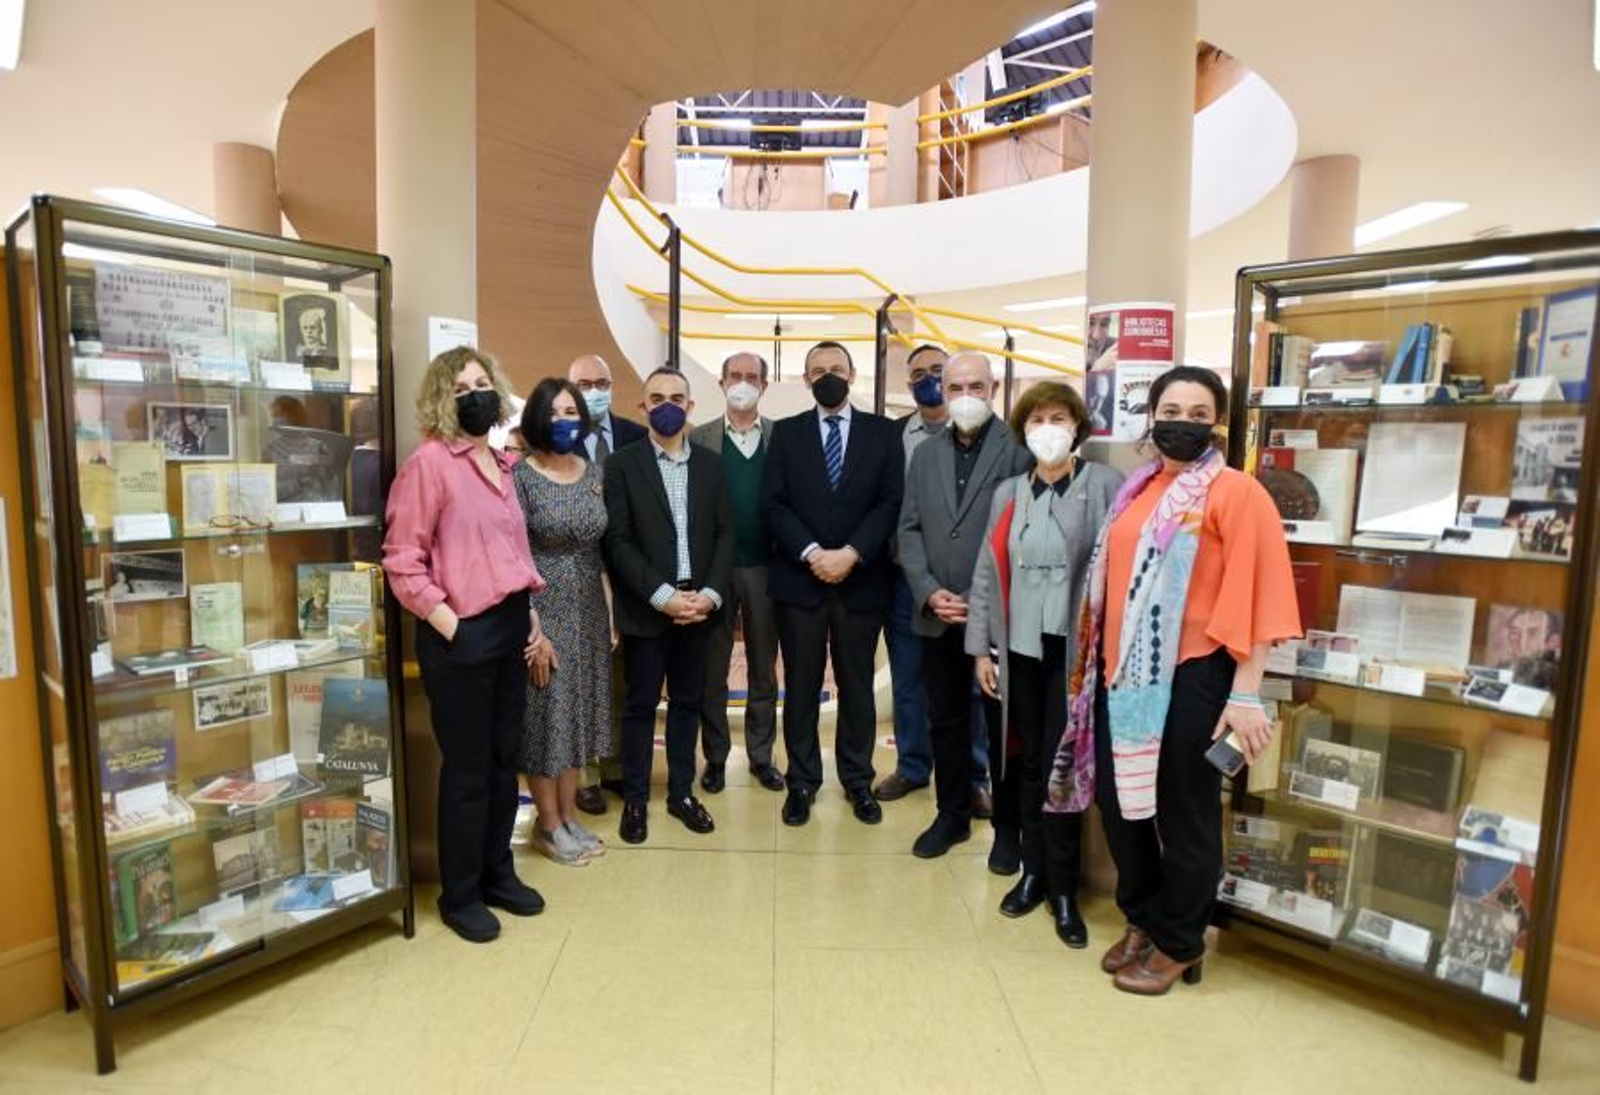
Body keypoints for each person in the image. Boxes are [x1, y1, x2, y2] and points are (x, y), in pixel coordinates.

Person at [1049, 365, 1300, 993]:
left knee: (1182, 813)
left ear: (1216, 422)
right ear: (1151, 415)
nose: (1182, 423)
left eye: (1197, 413)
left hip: (1197, 674)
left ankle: (1182, 941)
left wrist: (1245, 692)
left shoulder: (1236, 493)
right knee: (1119, 804)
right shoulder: (1138, 488)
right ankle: (1145, 916)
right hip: (1124, 675)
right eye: (1171, 410)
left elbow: (1261, 593)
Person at [383, 346, 548, 944]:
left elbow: (510, 554)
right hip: (462, 636)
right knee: (469, 769)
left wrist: (528, 618)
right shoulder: (429, 464)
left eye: (482, 383)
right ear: (441, 401)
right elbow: (402, 561)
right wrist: (451, 623)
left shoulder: (502, 463)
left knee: (506, 763)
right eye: (460, 389)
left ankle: (498, 872)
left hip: (508, 627)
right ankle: (460, 894)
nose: (475, 394)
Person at [966, 382, 1122, 947]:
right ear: (1023, 431)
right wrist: (981, 649)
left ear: (1077, 426)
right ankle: (1032, 871)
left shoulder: (1104, 485)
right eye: (1037, 420)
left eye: (1059, 418)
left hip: (1073, 656)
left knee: (1063, 768)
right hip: (1019, 651)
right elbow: (986, 572)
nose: (1048, 428)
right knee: (1027, 762)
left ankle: (1063, 888)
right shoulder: (1009, 491)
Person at [896, 352, 1033, 861]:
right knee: (945, 719)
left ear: (993, 390)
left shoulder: (1018, 450)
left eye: (976, 386)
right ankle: (950, 814)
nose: (965, 396)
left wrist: (981, 599)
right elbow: (908, 530)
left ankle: (1006, 830)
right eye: (955, 388)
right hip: (937, 614)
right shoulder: (926, 454)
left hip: (997, 615)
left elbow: (1026, 536)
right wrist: (928, 589)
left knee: (1002, 728)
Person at [763, 341, 903, 827]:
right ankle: (801, 782)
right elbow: (774, 503)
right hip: (800, 582)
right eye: (818, 370)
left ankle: (858, 781)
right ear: (805, 380)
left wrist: (851, 554)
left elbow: (889, 503)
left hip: (861, 582)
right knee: (801, 687)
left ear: (852, 374)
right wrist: (813, 554)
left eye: (836, 369)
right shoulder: (785, 433)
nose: (828, 376)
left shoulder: (884, 434)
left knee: (857, 687)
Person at [603, 367, 733, 845]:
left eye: (677, 397)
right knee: (638, 706)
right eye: (656, 398)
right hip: (647, 607)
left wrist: (710, 595)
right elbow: (617, 542)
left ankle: (681, 793)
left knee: (686, 704)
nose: (667, 405)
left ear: (691, 407)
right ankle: (636, 797)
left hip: (699, 607)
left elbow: (725, 535)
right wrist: (663, 597)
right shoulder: (621, 465)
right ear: (642, 407)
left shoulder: (711, 465)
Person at [512, 378, 614, 866]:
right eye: (554, 413)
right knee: (546, 720)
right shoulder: (520, 477)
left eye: (572, 412)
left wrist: (610, 613)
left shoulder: (594, 473)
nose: (565, 421)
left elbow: (599, 549)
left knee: (578, 716)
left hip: (590, 608)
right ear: (537, 418)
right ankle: (547, 825)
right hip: (542, 609)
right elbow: (514, 554)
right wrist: (533, 628)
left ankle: (569, 815)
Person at [690, 352, 786, 795]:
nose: (743, 383)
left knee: (764, 667)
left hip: (767, 566)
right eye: (735, 376)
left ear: (764, 386)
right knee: (713, 666)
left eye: (752, 377)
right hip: (715, 568)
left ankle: (761, 756)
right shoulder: (700, 438)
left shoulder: (781, 438)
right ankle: (714, 757)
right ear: (721, 382)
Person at [567, 353, 646, 816]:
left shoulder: (635, 436)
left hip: (630, 571)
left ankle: (617, 765)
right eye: (585, 383)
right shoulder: (556, 438)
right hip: (577, 572)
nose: (594, 390)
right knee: (582, 676)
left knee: (625, 677)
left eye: (602, 382)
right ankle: (586, 775)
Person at [874, 343, 946, 806]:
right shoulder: (893, 436)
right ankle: (913, 766)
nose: (927, 379)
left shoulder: (984, 437)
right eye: (917, 372)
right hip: (903, 578)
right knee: (907, 676)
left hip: (961, 582)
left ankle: (975, 775)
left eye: (936, 370)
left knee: (969, 683)